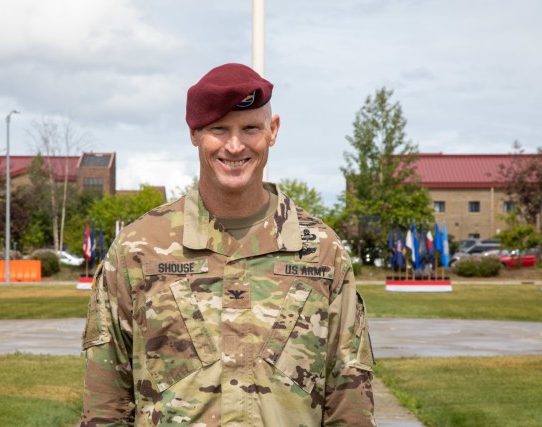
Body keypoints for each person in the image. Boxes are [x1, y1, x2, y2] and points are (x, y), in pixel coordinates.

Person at [81, 63, 375, 426]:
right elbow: (106, 400)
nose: (235, 146)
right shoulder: (139, 248)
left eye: (250, 128)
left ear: (273, 131)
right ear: (194, 134)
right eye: (219, 129)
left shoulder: (321, 251)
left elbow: (349, 399)